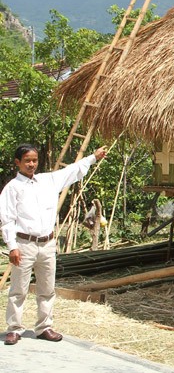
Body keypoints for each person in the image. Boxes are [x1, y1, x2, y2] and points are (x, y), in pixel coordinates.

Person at [0, 144, 107, 345]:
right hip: (24, 244)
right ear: (18, 163)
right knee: (18, 289)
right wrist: (12, 246)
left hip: (47, 243)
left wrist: (94, 156)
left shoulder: (47, 180)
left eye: (34, 160)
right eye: (27, 161)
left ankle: (44, 327)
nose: (31, 164)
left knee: (47, 288)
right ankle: (14, 328)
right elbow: (7, 219)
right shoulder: (13, 188)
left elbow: (72, 171)